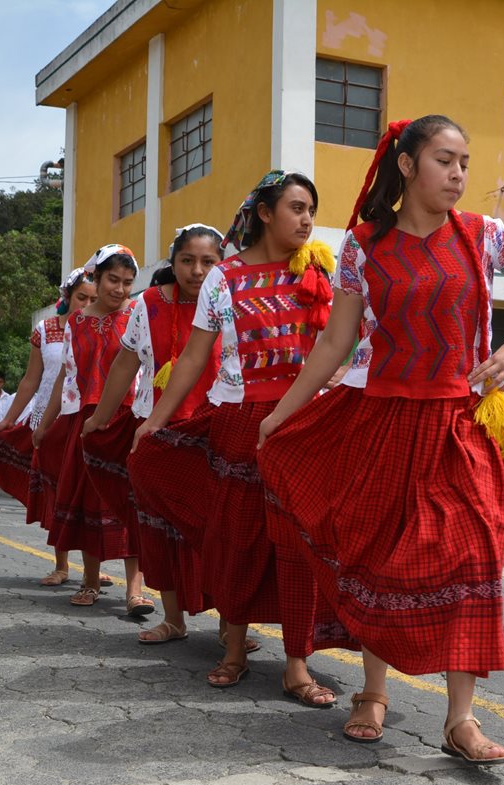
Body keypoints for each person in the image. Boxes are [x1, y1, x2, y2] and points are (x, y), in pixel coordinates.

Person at [254, 117, 504, 763]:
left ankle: (461, 720)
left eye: (464, 163)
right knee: (382, 558)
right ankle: (373, 693)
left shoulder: (485, 237)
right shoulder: (364, 246)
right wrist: (282, 413)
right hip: (384, 421)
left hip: (461, 424)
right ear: (406, 165)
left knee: (473, 557)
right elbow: (336, 342)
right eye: (444, 161)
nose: (457, 175)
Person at [130, 171, 351, 705]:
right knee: (238, 539)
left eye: (311, 210)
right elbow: (193, 357)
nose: (306, 219)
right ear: (266, 213)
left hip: (300, 424)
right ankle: (232, 649)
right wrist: (155, 421)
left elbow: (335, 344)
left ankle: (296, 665)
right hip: (237, 422)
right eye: (296, 207)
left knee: (298, 545)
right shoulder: (222, 278)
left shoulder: (319, 269)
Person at [83, 225, 224, 645]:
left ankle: (230, 626)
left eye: (208, 262)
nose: (197, 271)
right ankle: (173, 619)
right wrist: (101, 419)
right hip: (156, 428)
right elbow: (126, 364)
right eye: (187, 261)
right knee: (158, 528)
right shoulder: (147, 304)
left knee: (217, 529)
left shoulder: (229, 298)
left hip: (213, 427)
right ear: (173, 261)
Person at [36, 245, 142, 611]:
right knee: (87, 499)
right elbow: (66, 375)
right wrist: (47, 423)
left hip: (127, 417)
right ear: (96, 278)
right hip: (86, 419)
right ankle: (90, 579)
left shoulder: (137, 316)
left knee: (130, 502)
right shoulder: (76, 322)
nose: (120, 289)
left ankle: (135, 590)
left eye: (128, 282)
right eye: (113, 279)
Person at [0, 271, 96, 518]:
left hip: (82, 419)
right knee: (54, 492)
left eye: (94, 299)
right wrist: (9, 419)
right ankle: (60, 556)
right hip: (47, 422)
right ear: (67, 296)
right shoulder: (45, 329)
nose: (87, 305)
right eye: (82, 297)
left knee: (78, 495)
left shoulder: (102, 329)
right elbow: (31, 380)